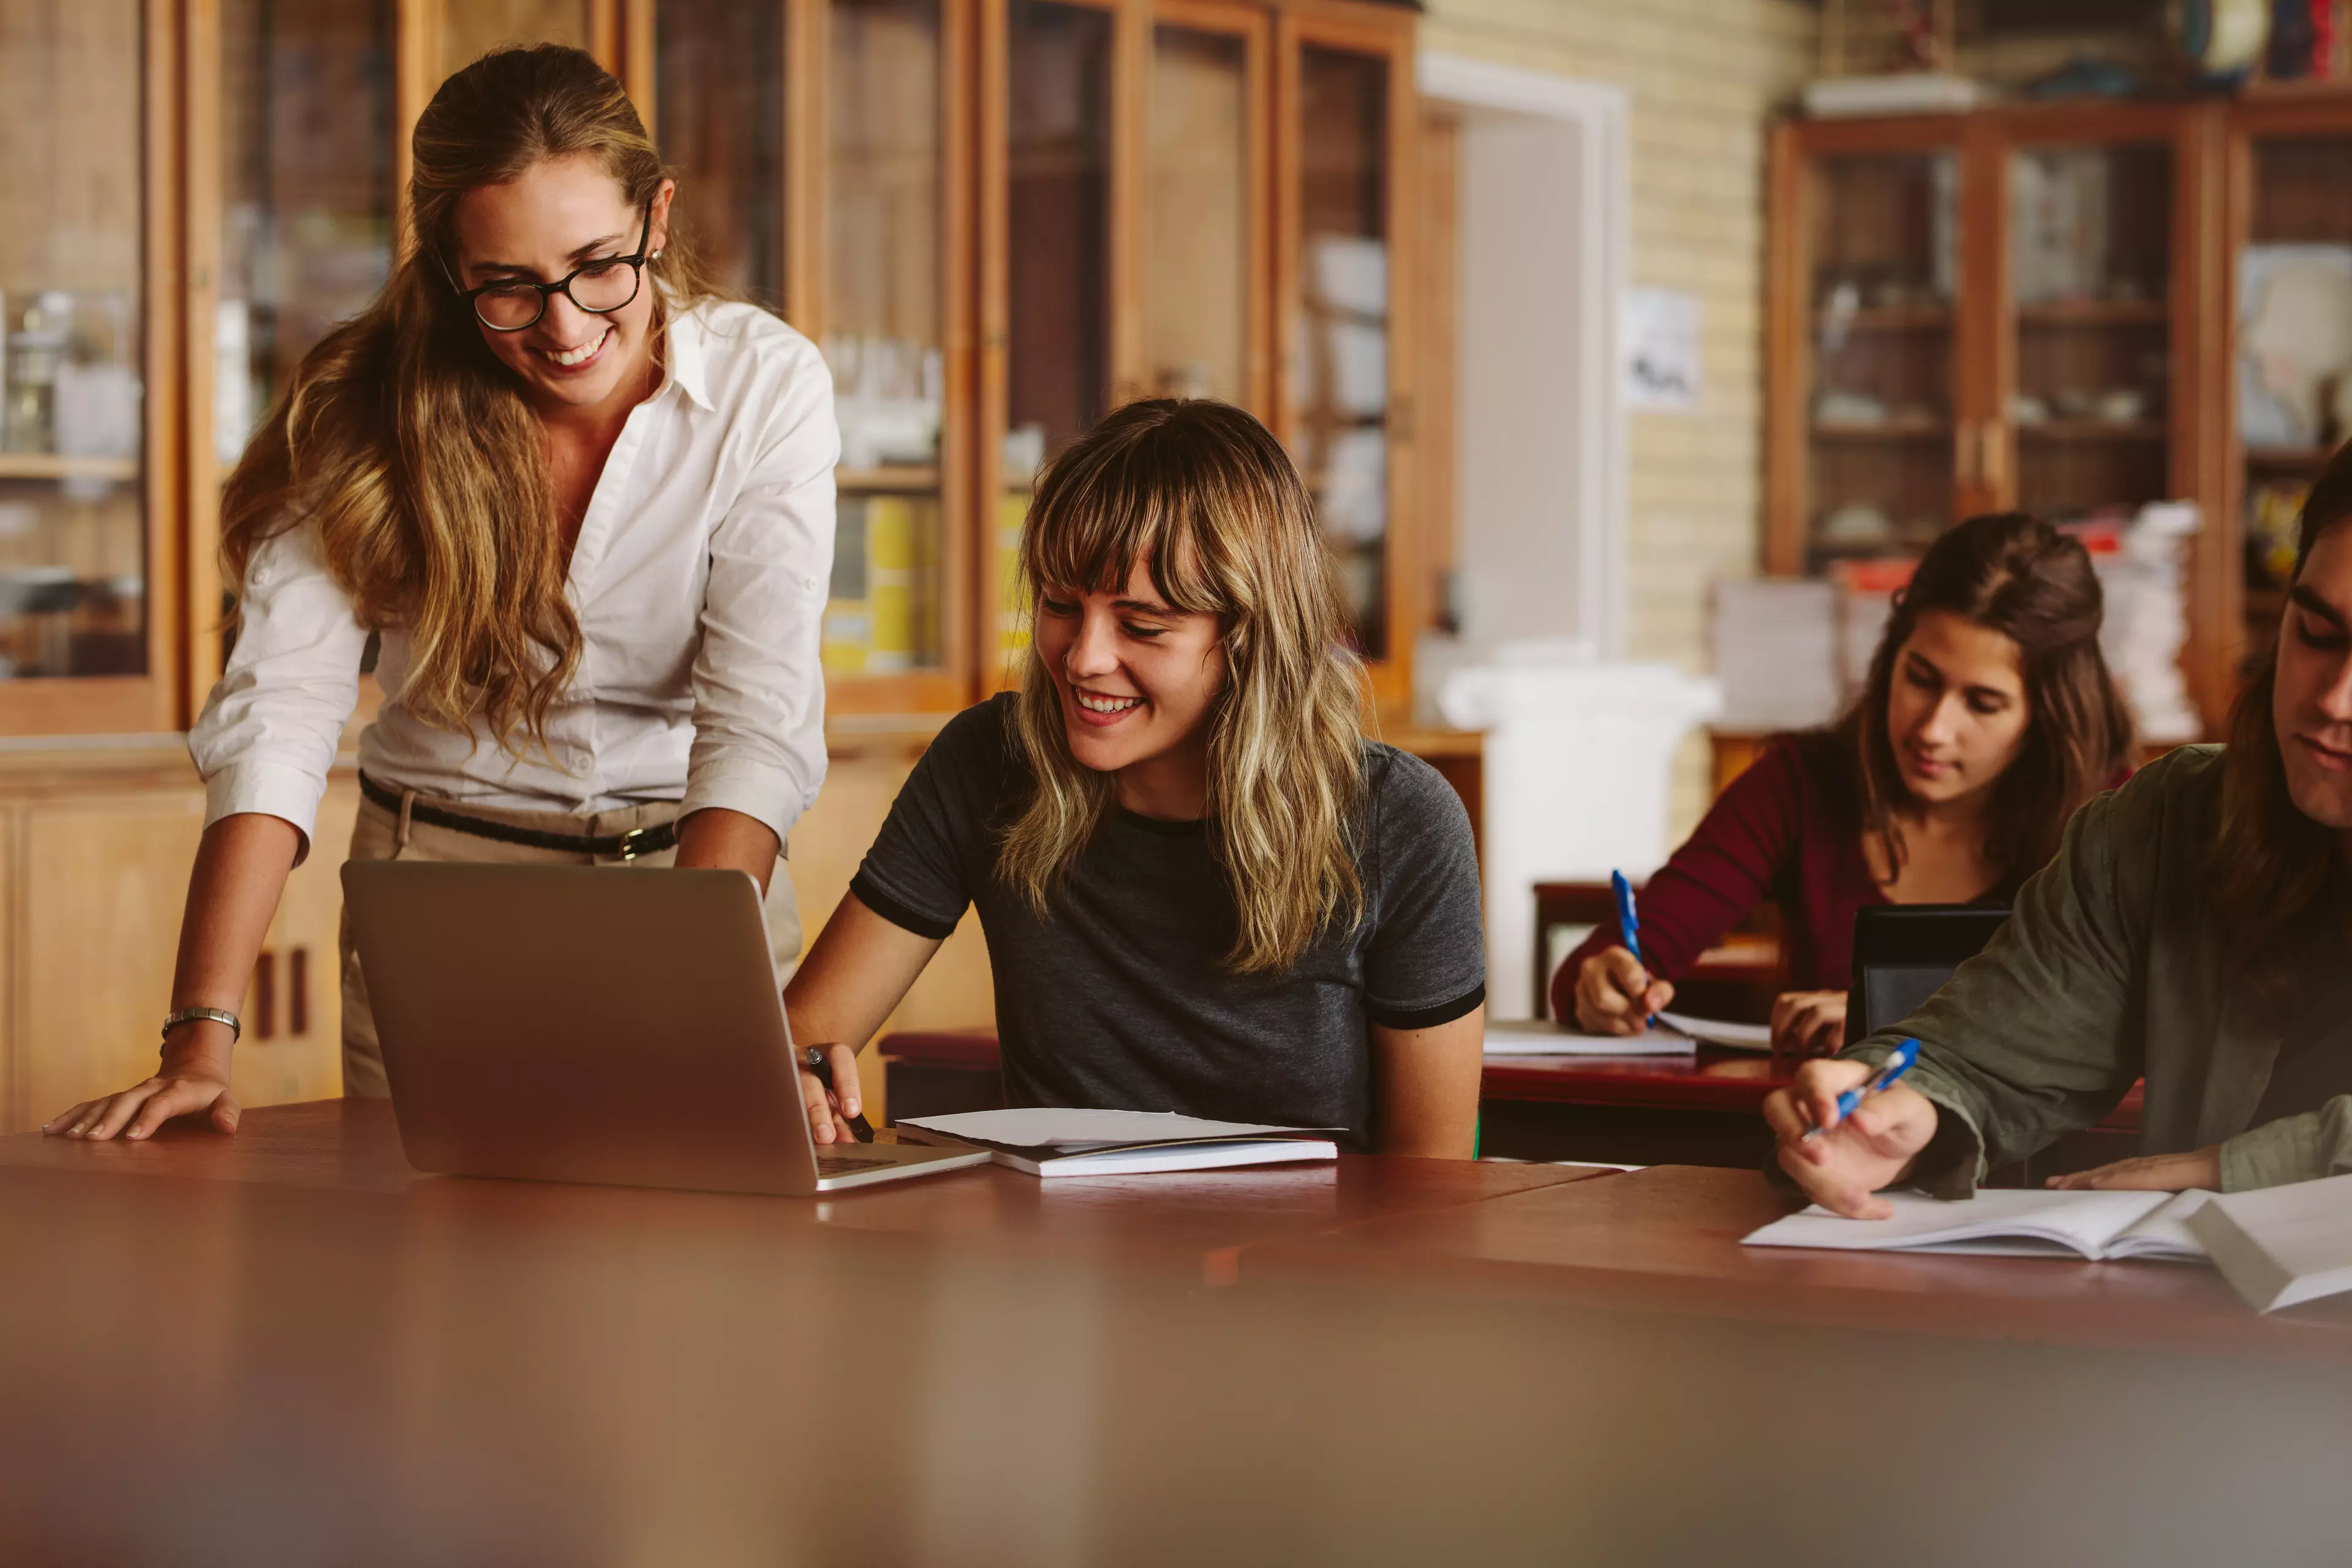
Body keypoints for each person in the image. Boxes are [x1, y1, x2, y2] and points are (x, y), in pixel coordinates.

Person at [45, 45, 835, 1140]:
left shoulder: (766, 385)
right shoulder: (363, 409)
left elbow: (756, 726)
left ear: (657, 218)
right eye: (508, 286)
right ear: (448, 269)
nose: (563, 329)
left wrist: (696, 1002)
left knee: (709, 1274)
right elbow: (277, 714)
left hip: (696, 888)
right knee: (441, 1283)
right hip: (444, 899)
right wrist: (200, 1037)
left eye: (598, 265)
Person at [783, 398, 1487, 1156]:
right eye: (1060, 605)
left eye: (1142, 625)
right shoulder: (988, 761)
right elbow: (800, 1045)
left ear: (1250, 636)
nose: (1083, 658)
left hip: (1303, 1269)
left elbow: (1433, 1192)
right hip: (1057, 1265)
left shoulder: (1400, 821)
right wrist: (798, 1075)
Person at [1768, 442, 2352, 1214]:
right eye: (2317, 634)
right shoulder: (2165, 824)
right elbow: (1986, 1052)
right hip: (2193, 1326)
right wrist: (1898, 1108)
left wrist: (2228, 1170)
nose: (2336, 700)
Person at [1558, 512, 2134, 1055]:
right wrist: (1602, 982)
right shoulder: (1801, 783)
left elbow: (2130, 1016)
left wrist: (1889, 1017)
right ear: (1891, 657)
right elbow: (1603, 963)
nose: (1934, 729)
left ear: (2048, 714)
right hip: (1813, 1144)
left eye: (1982, 704)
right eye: (1921, 679)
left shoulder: (2112, 818)